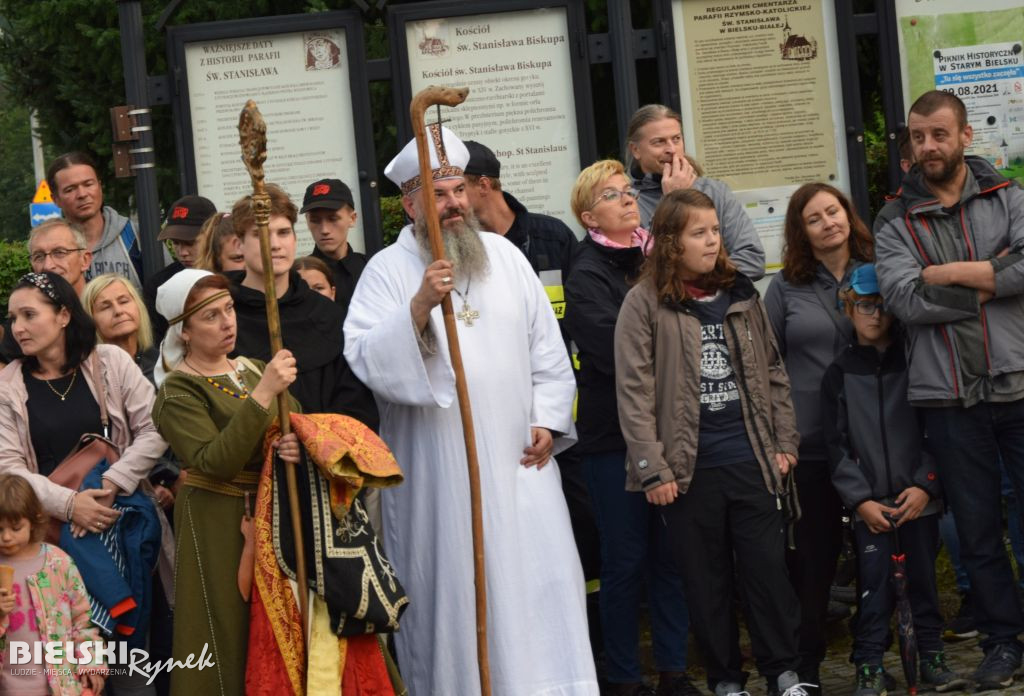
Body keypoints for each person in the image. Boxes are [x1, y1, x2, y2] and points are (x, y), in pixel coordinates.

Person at [345, 124, 597, 695]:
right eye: (438, 195)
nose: (454, 203)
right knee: (459, 590)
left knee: (540, 584)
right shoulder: (387, 271)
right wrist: (418, 307)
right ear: (410, 204)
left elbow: (547, 351)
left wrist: (548, 421)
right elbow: (363, 356)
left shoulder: (506, 257)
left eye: (458, 190)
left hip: (520, 463)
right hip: (441, 476)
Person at [615, 188, 806, 696]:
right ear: (671, 244)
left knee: (767, 571)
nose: (712, 241)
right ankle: (725, 680)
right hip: (687, 470)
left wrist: (784, 441)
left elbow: (773, 371)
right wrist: (652, 469)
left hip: (753, 459)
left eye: (715, 231)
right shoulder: (643, 302)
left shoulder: (741, 292)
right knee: (706, 581)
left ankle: (784, 673)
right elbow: (633, 392)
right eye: (699, 233)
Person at [874, 89, 1024, 690]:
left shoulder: (1006, 195)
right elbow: (905, 299)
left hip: (1017, 383)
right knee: (979, 528)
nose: (927, 146)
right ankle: (1002, 642)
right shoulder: (894, 218)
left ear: (966, 137)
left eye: (939, 134)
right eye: (917, 136)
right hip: (948, 396)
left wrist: (956, 273)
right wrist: (997, 279)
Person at [464, 139, 602, 664]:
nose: (451, 203)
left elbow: (578, 321)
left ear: (485, 185)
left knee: (583, 537)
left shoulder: (549, 237)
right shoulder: (458, 250)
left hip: (566, 417)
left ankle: (593, 654)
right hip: (504, 429)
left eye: (460, 187)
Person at [0, 271, 167, 695]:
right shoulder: (7, 385)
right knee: (64, 670)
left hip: (119, 528)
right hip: (46, 545)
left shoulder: (110, 361)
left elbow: (155, 429)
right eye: (12, 317)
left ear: (62, 315)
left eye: (28, 314)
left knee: (130, 668)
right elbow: (8, 467)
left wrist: (113, 481)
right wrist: (71, 505)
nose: (17, 327)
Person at [564, 159, 695, 696]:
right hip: (611, 440)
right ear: (588, 214)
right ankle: (622, 677)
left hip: (670, 431)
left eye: (626, 191)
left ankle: (674, 671)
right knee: (624, 561)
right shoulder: (586, 271)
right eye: (612, 194)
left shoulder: (657, 259)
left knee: (671, 558)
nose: (626, 199)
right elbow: (611, 351)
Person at [150, 269, 301, 696]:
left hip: (274, 515)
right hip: (218, 521)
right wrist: (265, 394)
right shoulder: (177, 392)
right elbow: (215, 461)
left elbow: (295, 423)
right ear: (184, 332)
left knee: (279, 631)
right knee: (228, 633)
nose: (227, 322)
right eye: (211, 316)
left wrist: (293, 445)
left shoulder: (252, 369)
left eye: (229, 309)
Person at [821, 264, 966, 695]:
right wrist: (859, 500)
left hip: (918, 499)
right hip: (870, 505)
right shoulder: (839, 373)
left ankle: (933, 656)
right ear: (848, 308)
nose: (875, 315)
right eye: (864, 305)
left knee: (922, 580)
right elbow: (835, 445)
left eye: (883, 305)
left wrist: (926, 484)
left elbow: (936, 431)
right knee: (873, 586)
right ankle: (868, 663)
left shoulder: (917, 359)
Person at [764, 182, 874, 691]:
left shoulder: (877, 272)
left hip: (874, 438)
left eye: (834, 211)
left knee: (882, 552)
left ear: (848, 216)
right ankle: (806, 667)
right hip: (808, 443)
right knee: (812, 561)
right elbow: (767, 365)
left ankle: (876, 656)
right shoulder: (785, 287)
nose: (828, 222)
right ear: (801, 232)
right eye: (815, 218)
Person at [227, 184, 377, 426]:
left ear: (295, 239)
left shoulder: (326, 314)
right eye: (260, 234)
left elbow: (356, 406)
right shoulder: (225, 316)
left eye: (283, 232)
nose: (274, 244)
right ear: (238, 244)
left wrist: (309, 442)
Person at [625, 104, 765, 280]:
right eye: (659, 142)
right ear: (635, 150)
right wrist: (671, 202)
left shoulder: (715, 191)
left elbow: (753, 260)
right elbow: (641, 270)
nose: (671, 149)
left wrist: (700, 286)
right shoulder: (626, 202)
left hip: (718, 305)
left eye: (676, 139)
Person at [0, 473, 105, 695]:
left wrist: (91, 664)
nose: (6, 537)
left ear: (35, 519)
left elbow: (82, 621)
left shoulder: (58, 563)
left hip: (62, 687)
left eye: (15, 528)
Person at [47, 151, 143, 287]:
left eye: (88, 184)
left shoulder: (136, 235)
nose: (82, 194)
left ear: (100, 186)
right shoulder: (49, 250)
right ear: (55, 199)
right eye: (70, 189)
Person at [144, 195, 218, 344]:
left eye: (190, 243)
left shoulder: (234, 274)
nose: (182, 252)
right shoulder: (159, 286)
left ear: (213, 235)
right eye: (176, 243)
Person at [301, 178, 367, 310]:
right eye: (315, 220)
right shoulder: (297, 277)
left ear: (352, 219)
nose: (324, 230)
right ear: (307, 221)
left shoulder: (372, 269)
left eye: (333, 219)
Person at [83, 273, 158, 381]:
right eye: (105, 307)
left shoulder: (162, 363)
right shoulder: (87, 373)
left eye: (123, 301)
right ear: (90, 319)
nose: (118, 311)